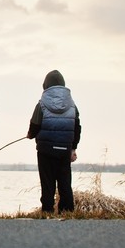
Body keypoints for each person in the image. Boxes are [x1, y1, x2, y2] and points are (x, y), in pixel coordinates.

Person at [26, 69, 81, 214]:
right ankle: (67, 211)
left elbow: (35, 124)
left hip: (45, 150)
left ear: (46, 85)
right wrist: (73, 148)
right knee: (65, 182)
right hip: (64, 150)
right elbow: (77, 127)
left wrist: (30, 134)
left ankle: (47, 211)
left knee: (47, 183)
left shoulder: (41, 104)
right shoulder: (72, 105)